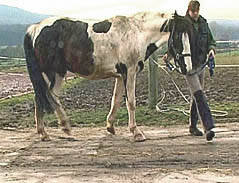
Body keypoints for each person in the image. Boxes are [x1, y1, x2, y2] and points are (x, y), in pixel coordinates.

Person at [163, 0, 216, 141]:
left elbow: (211, 40)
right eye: (193, 12)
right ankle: (208, 128)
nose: (196, 14)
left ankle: (192, 126)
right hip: (188, 66)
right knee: (199, 94)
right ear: (189, 10)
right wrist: (168, 55)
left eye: (197, 11)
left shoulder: (203, 23)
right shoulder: (182, 25)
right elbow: (176, 43)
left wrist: (211, 50)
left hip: (201, 64)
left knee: (196, 96)